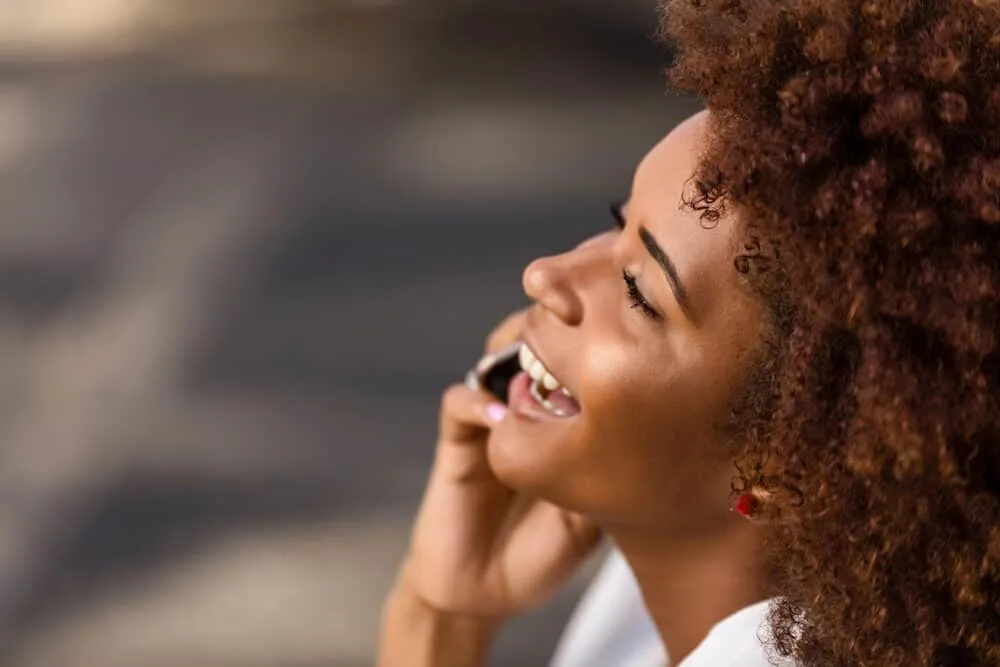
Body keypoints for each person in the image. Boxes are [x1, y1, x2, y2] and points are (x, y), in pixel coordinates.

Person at [379, 0, 1000, 664]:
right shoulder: (676, 592)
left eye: (639, 292)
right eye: (619, 223)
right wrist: (443, 607)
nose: (545, 275)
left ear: (782, 469)